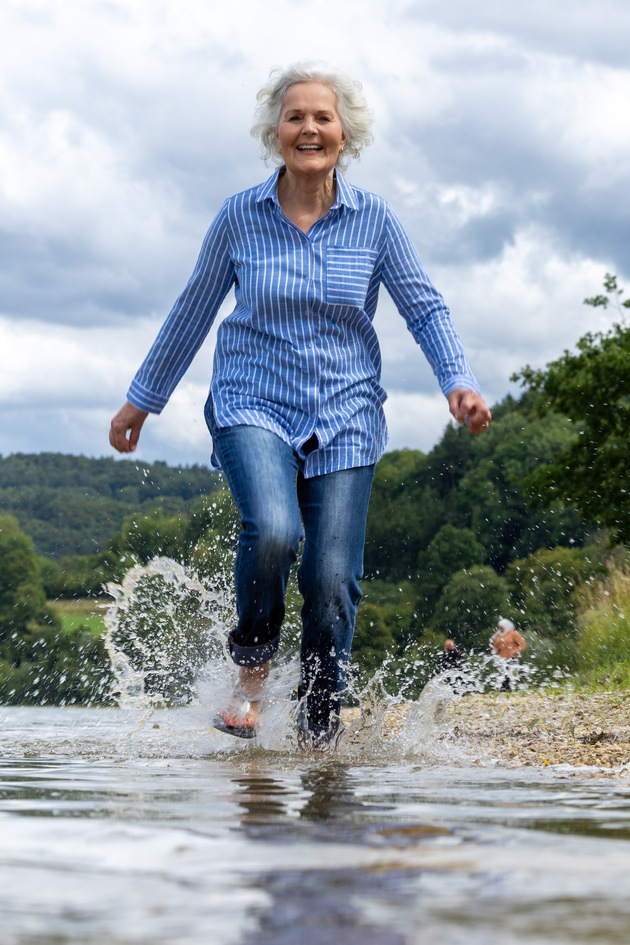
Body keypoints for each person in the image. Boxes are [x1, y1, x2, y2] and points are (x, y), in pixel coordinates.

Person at [109, 62, 492, 750]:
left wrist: (456, 381)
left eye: (323, 117)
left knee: (332, 579)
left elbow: (424, 307)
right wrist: (143, 399)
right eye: (295, 117)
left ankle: (320, 731)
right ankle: (251, 675)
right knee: (276, 530)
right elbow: (193, 309)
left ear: (345, 134)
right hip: (251, 401)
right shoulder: (239, 216)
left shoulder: (374, 221)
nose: (308, 128)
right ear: (275, 132)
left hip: (347, 417)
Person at [491, 618, 526, 691]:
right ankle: (506, 690)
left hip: (512, 658)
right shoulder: (498, 635)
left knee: (509, 675)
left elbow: (522, 645)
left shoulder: (513, 633)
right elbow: (495, 646)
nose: (500, 629)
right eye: (499, 627)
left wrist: (514, 651)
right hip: (501, 659)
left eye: (502, 627)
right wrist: (494, 652)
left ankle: (506, 690)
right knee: (502, 675)